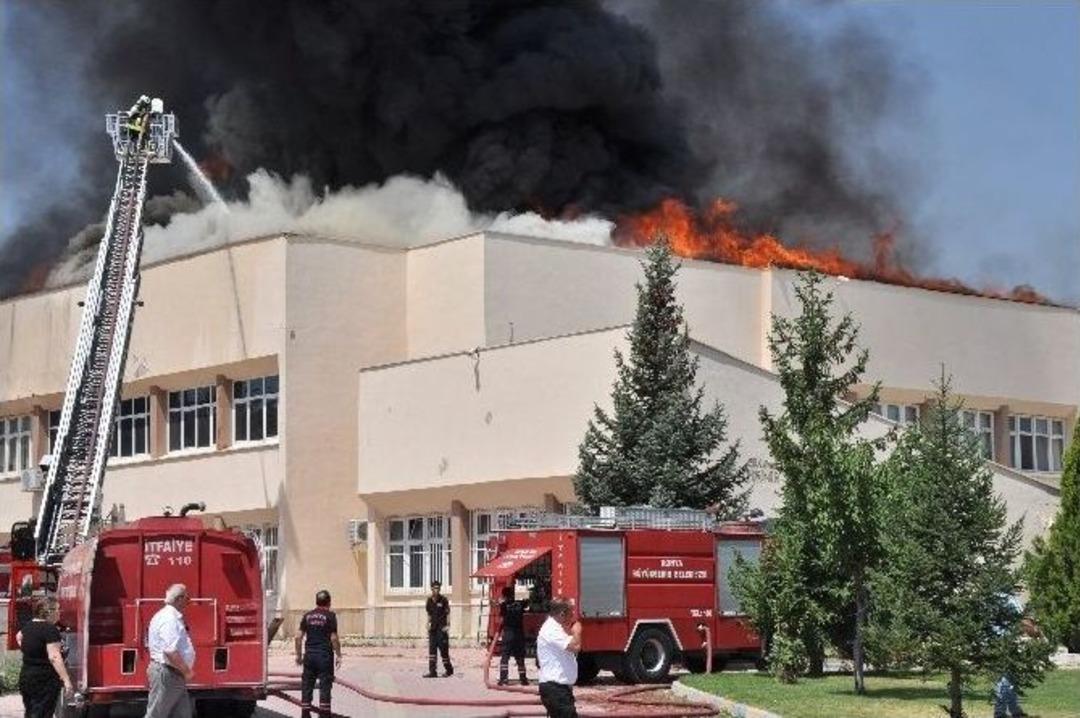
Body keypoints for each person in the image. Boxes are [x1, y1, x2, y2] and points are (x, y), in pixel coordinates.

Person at [16, 598, 73, 718]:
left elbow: (19, 636)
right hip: (44, 679)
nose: (60, 613)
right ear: (49, 612)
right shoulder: (50, 630)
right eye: (58, 609)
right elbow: (54, 657)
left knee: (31, 712)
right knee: (43, 713)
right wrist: (66, 680)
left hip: (27, 676)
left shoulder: (29, 626)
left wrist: (31, 650)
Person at [146, 583, 195, 718]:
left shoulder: (169, 616)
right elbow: (170, 651)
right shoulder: (169, 619)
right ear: (179, 599)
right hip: (167, 673)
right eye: (187, 598)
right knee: (156, 714)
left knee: (182, 714)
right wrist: (187, 671)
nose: (188, 602)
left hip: (174, 673)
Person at [295, 590, 342, 718]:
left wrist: (298, 656)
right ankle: (324, 715)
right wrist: (339, 655)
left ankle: (305, 714)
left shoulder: (307, 616)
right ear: (329, 602)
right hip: (324, 657)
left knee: (307, 686)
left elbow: (298, 637)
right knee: (325, 687)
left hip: (309, 657)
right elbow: (334, 638)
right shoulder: (330, 616)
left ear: (316, 602)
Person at [536, 597, 582, 718]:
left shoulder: (556, 628)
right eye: (571, 612)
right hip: (555, 688)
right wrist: (577, 631)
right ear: (562, 614)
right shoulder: (551, 630)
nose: (572, 616)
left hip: (559, 689)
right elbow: (575, 646)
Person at [992, 593, 1031, 718]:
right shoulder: (1010, 598)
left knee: (1011, 676)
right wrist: (1036, 632)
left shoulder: (992, 596)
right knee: (1005, 678)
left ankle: (1015, 709)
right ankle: (1000, 712)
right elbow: (1021, 618)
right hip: (1005, 642)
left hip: (993, 641)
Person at [497, 584, 529, 686]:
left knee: (505, 656)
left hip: (508, 633)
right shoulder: (520, 604)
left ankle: (503, 679)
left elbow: (501, 619)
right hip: (519, 633)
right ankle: (523, 679)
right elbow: (527, 603)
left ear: (504, 595)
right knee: (520, 657)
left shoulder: (504, 605)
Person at [424, 580, 453, 677]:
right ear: (432, 589)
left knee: (444, 651)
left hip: (441, 629)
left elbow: (448, 613)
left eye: (438, 588)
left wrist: (448, 625)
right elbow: (429, 614)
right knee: (432, 651)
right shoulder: (429, 600)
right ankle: (432, 672)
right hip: (433, 629)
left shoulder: (443, 600)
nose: (437, 590)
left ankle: (449, 670)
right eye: (435, 588)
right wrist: (427, 623)